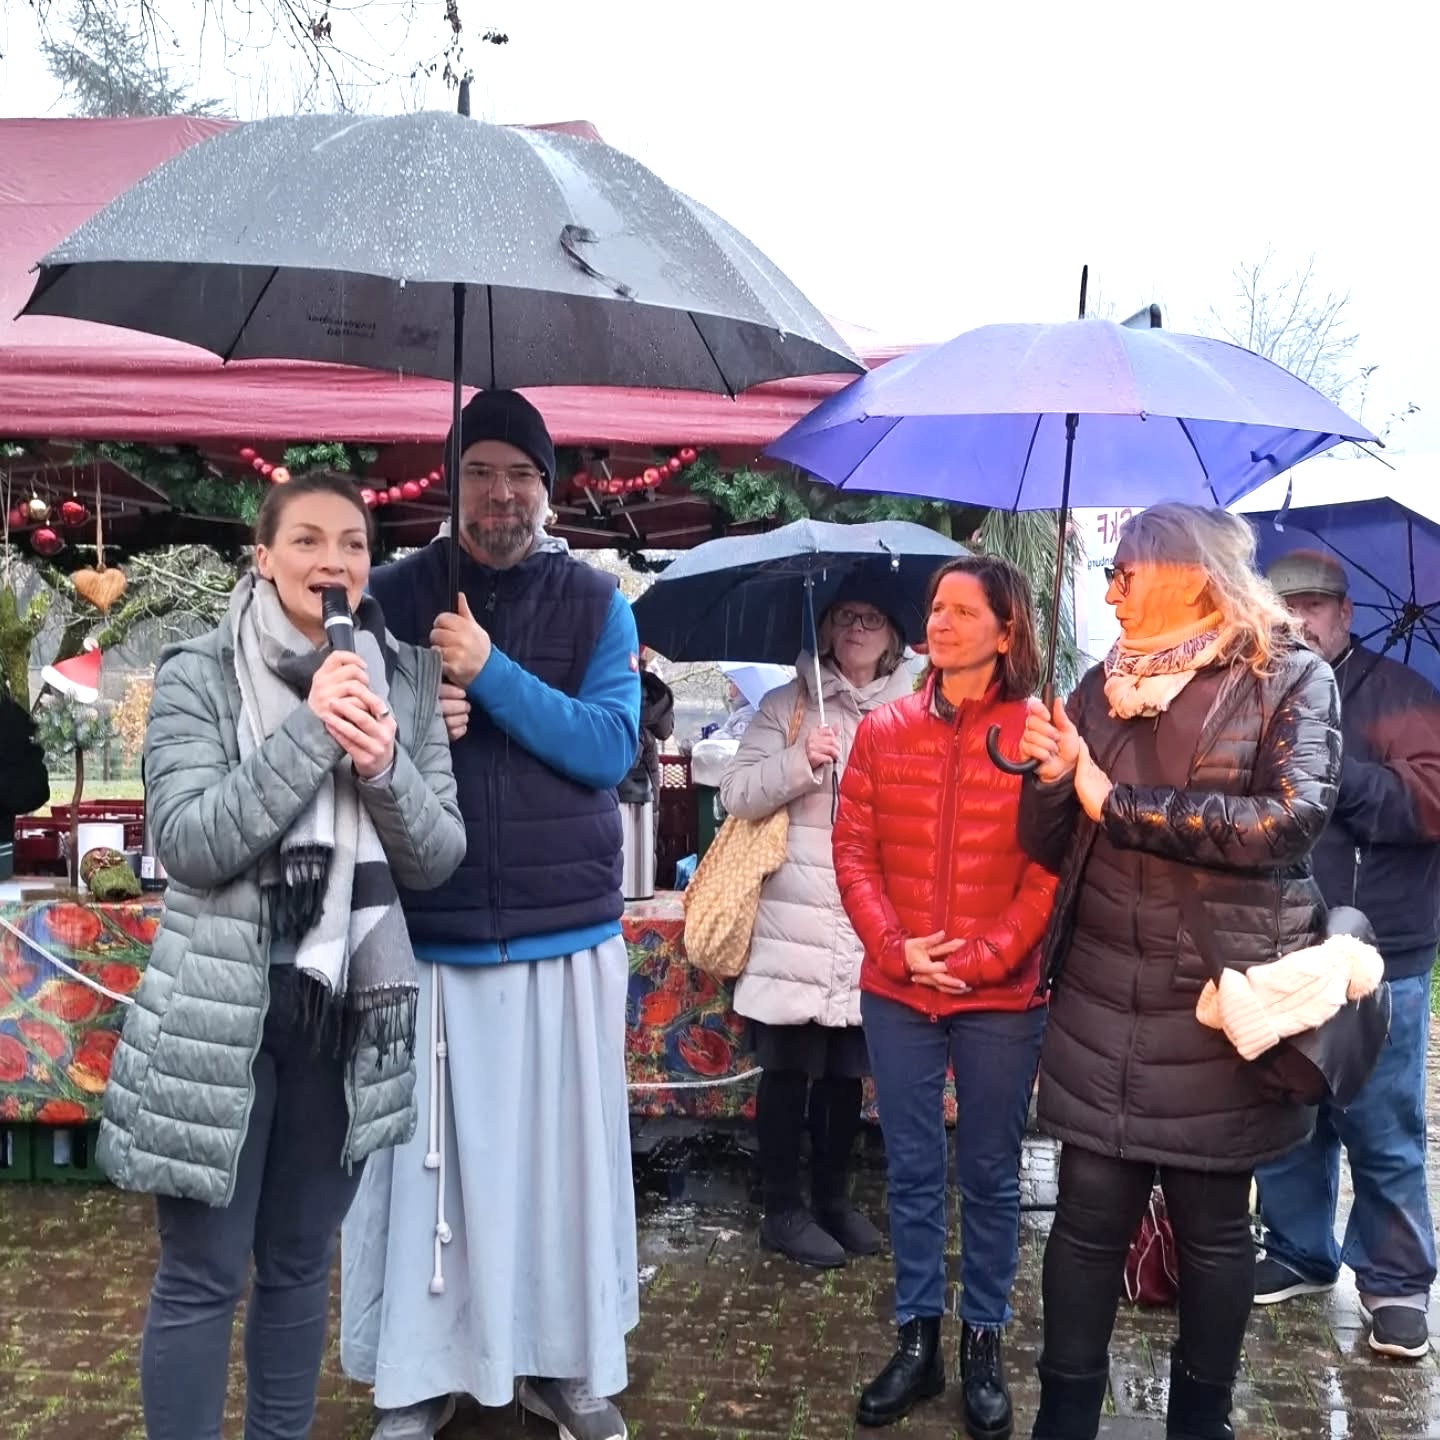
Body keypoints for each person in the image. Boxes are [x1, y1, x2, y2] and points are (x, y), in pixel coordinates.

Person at [98, 469, 466, 1440]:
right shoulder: (197, 672)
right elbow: (191, 841)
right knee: (203, 1274)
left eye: (352, 543)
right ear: (262, 557)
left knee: (301, 1267)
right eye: (306, 540)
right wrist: (311, 730)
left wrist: (382, 763)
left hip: (345, 1010)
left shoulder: (407, 679)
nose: (331, 561)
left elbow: (437, 856)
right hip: (219, 1012)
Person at [340, 390, 642, 1440]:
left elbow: (609, 748)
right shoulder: (391, 597)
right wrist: (417, 714)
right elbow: (345, 742)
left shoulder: (598, 603)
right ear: (450, 482)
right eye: (480, 472)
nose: (501, 494)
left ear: (547, 490)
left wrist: (491, 674)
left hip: (564, 935)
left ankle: (564, 1363)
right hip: (433, 933)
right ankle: (418, 1374)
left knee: (558, 1176)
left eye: (521, 474)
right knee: (430, 1178)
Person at [1016, 504, 1341, 1440]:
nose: (1111, 591)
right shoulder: (1098, 684)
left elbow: (1290, 821)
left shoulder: (1288, 676)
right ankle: (1064, 1421)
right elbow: (1049, 842)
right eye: (1108, 573)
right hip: (1100, 996)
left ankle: (1201, 1421)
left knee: (1212, 1230)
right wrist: (1051, 780)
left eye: (1126, 572)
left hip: (1215, 998)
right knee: (1083, 1226)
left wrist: (1112, 799)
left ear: (1192, 575)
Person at [832, 556, 1058, 1438]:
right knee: (914, 1169)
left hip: (1001, 997)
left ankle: (983, 1343)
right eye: (936, 607)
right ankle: (918, 1340)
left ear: (1007, 631)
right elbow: (854, 853)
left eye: (965, 611)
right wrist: (896, 948)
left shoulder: (1038, 734)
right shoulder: (883, 729)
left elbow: (1052, 868)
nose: (942, 622)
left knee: (992, 1176)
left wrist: (990, 955)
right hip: (900, 992)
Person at [1253, 549, 1440, 1360]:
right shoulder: (1262, 693)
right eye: (1284, 607)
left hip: (1379, 949)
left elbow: (1429, 801)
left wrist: (1337, 776)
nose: (1298, 621)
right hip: (1280, 939)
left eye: (1314, 606)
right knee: (1288, 1110)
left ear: (1345, 614)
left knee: (1380, 1121)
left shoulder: (1402, 695)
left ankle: (1396, 1282)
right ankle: (1299, 1248)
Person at [718, 584, 915, 1270]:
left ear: (892, 637)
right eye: (845, 616)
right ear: (826, 628)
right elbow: (735, 793)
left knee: (845, 1072)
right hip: (792, 921)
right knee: (789, 1067)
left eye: (872, 616)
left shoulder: (912, 711)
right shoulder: (787, 706)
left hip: (867, 918)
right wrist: (800, 761)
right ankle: (782, 1210)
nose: (858, 627)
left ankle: (832, 1200)